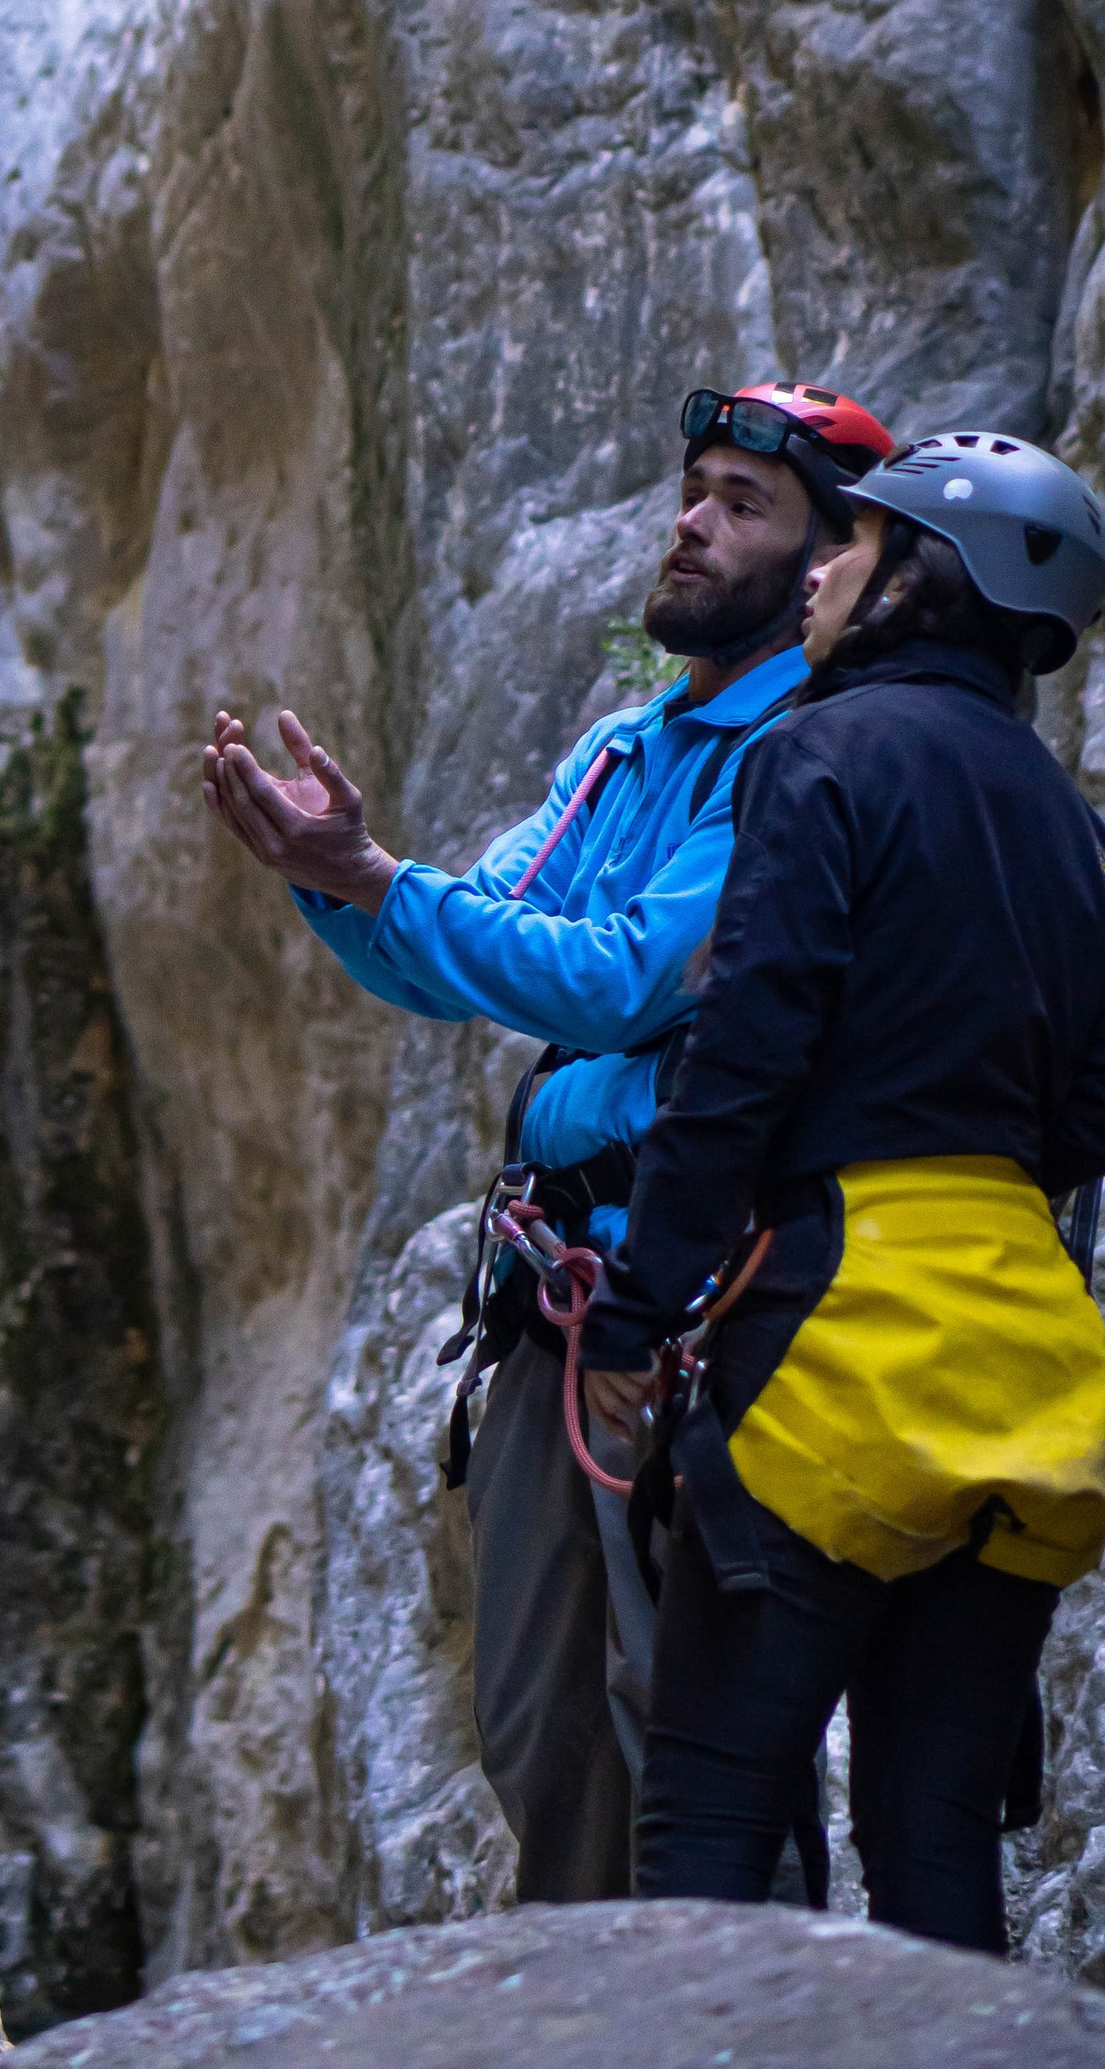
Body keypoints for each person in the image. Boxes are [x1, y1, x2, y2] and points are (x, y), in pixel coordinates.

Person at [203, 380, 893, 1901]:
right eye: (694, 491)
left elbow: (622, 979)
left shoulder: (799, 753)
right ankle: (603, 2006)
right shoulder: (625, 750)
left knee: (680, 1711)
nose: (693, 524)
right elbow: (470, 949)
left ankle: (752, 2003)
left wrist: (386, 886)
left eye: (743, 505)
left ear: (826, 561)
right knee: (538, 1721)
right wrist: (344, 880)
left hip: (695, 1283)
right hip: (560, 1284)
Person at [580, 430, 1105, 1950]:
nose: (818, 570)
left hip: (837, 1348)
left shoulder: (817, 755)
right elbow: (1086, 1112)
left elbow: (739, 1062)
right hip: (1028, 1364)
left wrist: (632, 1315)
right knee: (933, 1839)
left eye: (852, 544)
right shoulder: (1075, 830)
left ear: (923, 582)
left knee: (706, 1821)